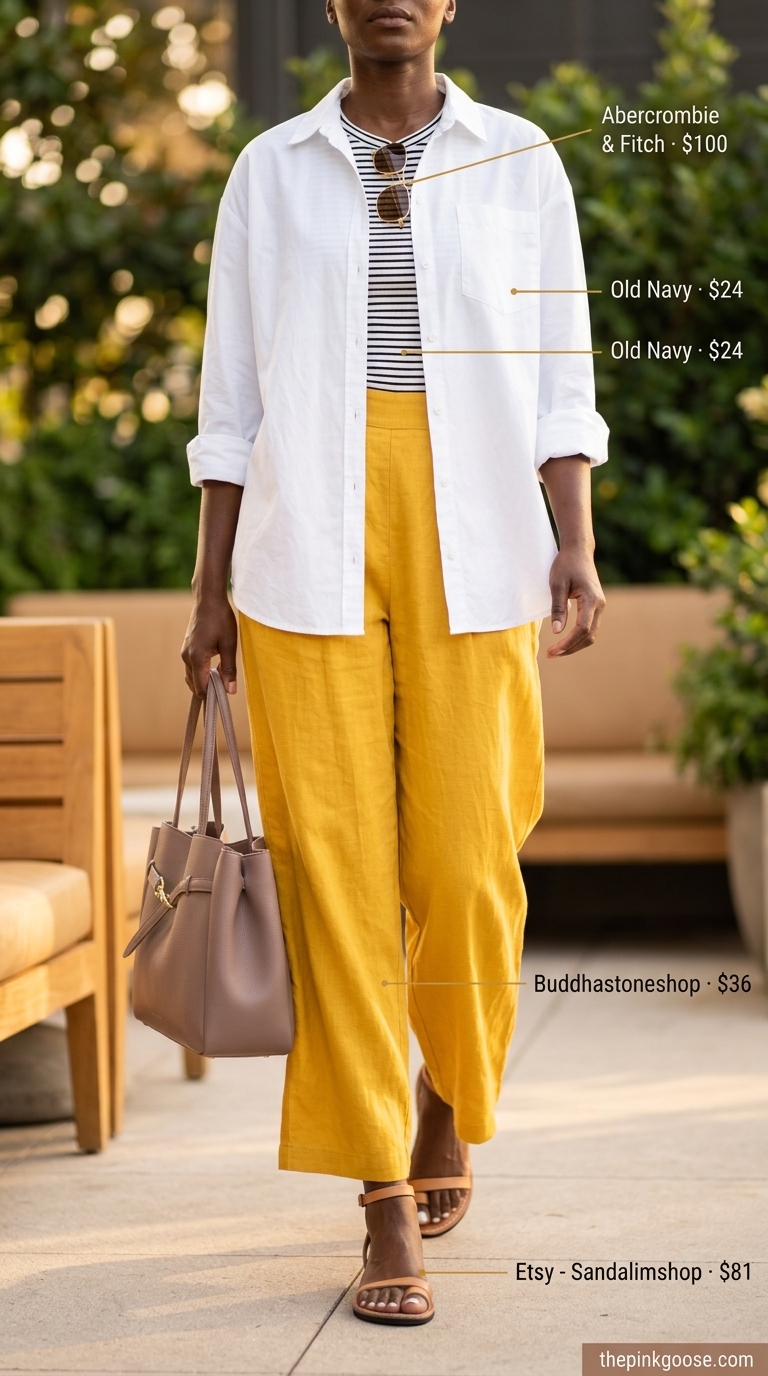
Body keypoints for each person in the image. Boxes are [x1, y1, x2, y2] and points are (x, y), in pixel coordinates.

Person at [182, 0, 608, 1328]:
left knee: (470, 860)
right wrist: (209, 598)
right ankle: (376, 1195)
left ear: (444, 5)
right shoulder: (270, 170)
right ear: (333, 6)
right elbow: (229, 403)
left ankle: (447, 1096)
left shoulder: (521, 157)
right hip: (304, 546)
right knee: (334, 881)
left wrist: (575, 545)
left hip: (478, 536)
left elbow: (559, 373)